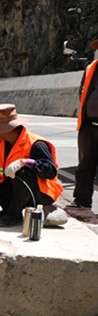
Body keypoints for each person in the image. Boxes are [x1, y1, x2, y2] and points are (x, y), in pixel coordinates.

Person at [0, 104, 64, 227]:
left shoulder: (36, 144)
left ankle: (14, 215)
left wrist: (26, 163)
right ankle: (8, 209)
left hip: (40, 192)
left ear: (6, 129)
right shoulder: (2, 143)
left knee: (23, 173)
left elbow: (50, 171)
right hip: (15, 187)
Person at [71, 39, 98, 211]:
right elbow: (82, 93)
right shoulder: (91, 68)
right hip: (88, 125)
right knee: (85, 165)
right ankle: (82, 200)